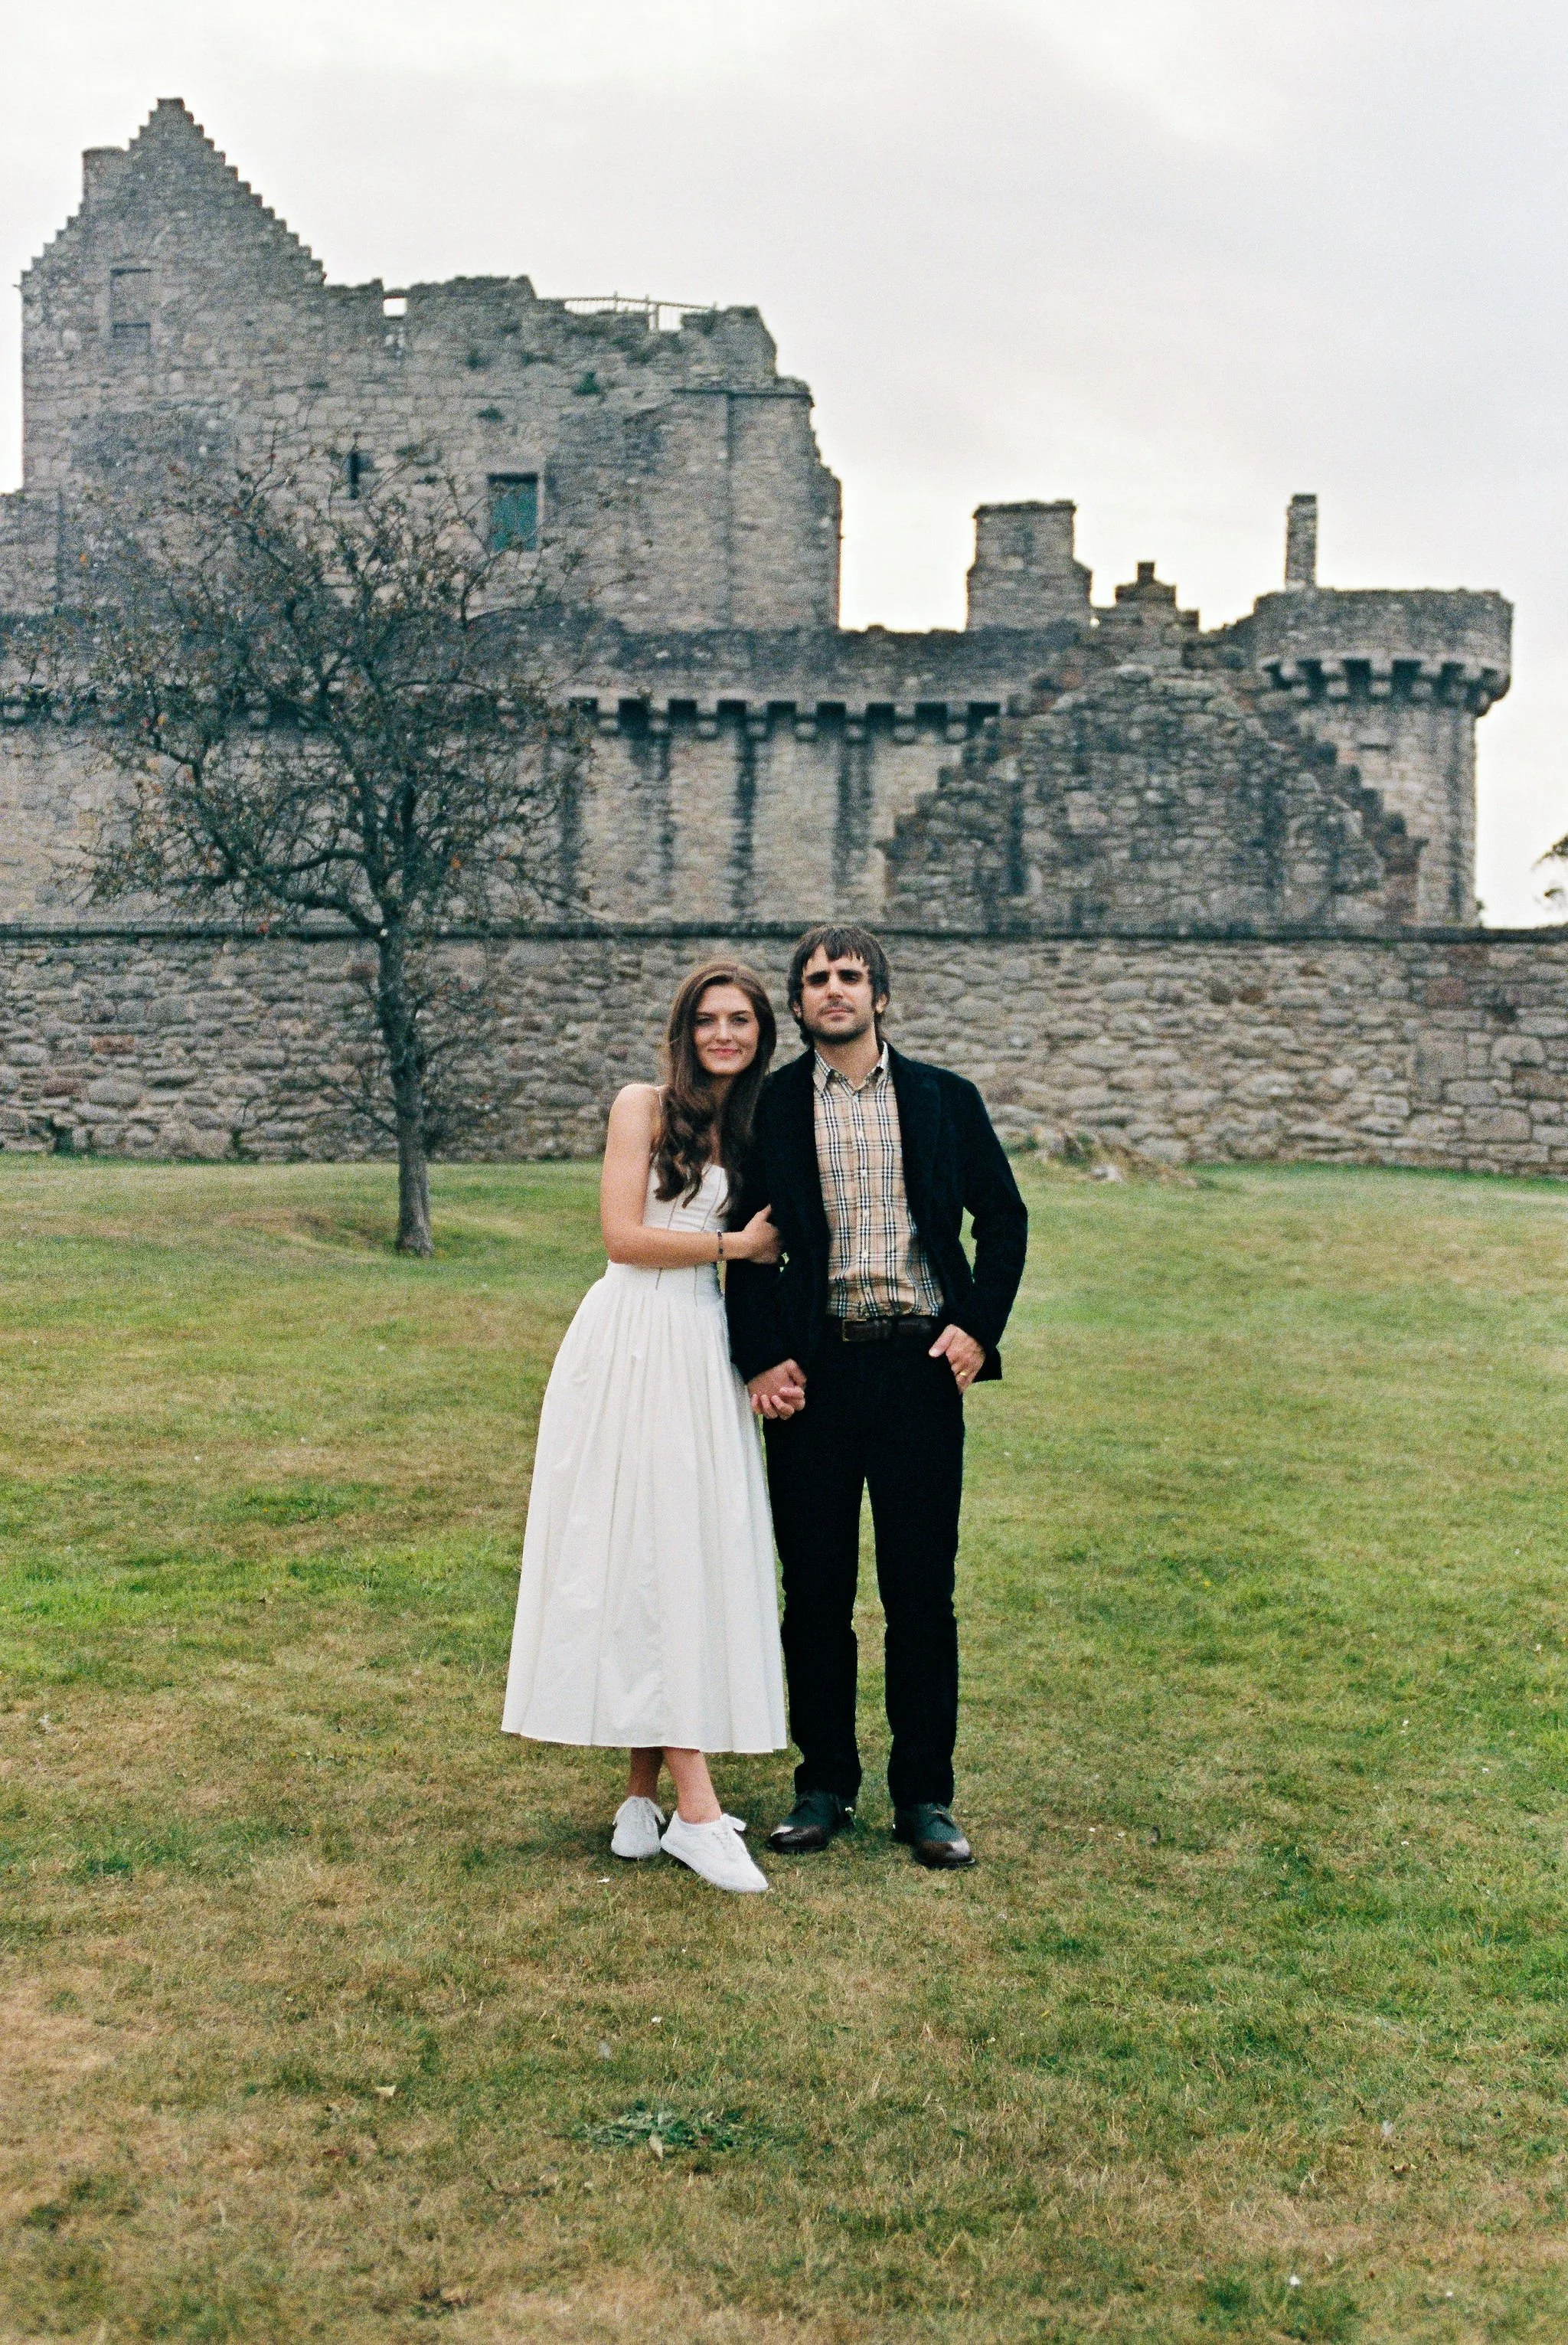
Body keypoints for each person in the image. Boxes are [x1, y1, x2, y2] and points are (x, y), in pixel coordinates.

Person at [726, 924, 1028, 1869]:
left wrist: (976, 1325)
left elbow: (1004, 1217)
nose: (831, 991)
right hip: (812, 1379)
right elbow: (741, 1238)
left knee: (919, 1593)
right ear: (800, 1001)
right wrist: (762, 1358)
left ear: (880, 996)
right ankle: (822, 1784)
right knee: (812, 1591)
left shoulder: (943, 1097)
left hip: (917, 1372)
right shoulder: (770, 1108)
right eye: (814, 979)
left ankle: (925, 1795)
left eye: (848, 976)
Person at [501, 961, 788, 1894]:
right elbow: (621, 1235)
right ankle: (694, 1812)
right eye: (708, 1019)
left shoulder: (746, 1123)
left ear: (759, 1032)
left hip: (698, 1335)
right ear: (683, 1027)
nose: (723, 1034)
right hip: (632, 1331)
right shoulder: (644, 1104)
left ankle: (638, 1797)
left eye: (740, 1019)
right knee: (646, 1546)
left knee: (673, 1543)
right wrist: (734, 1245)